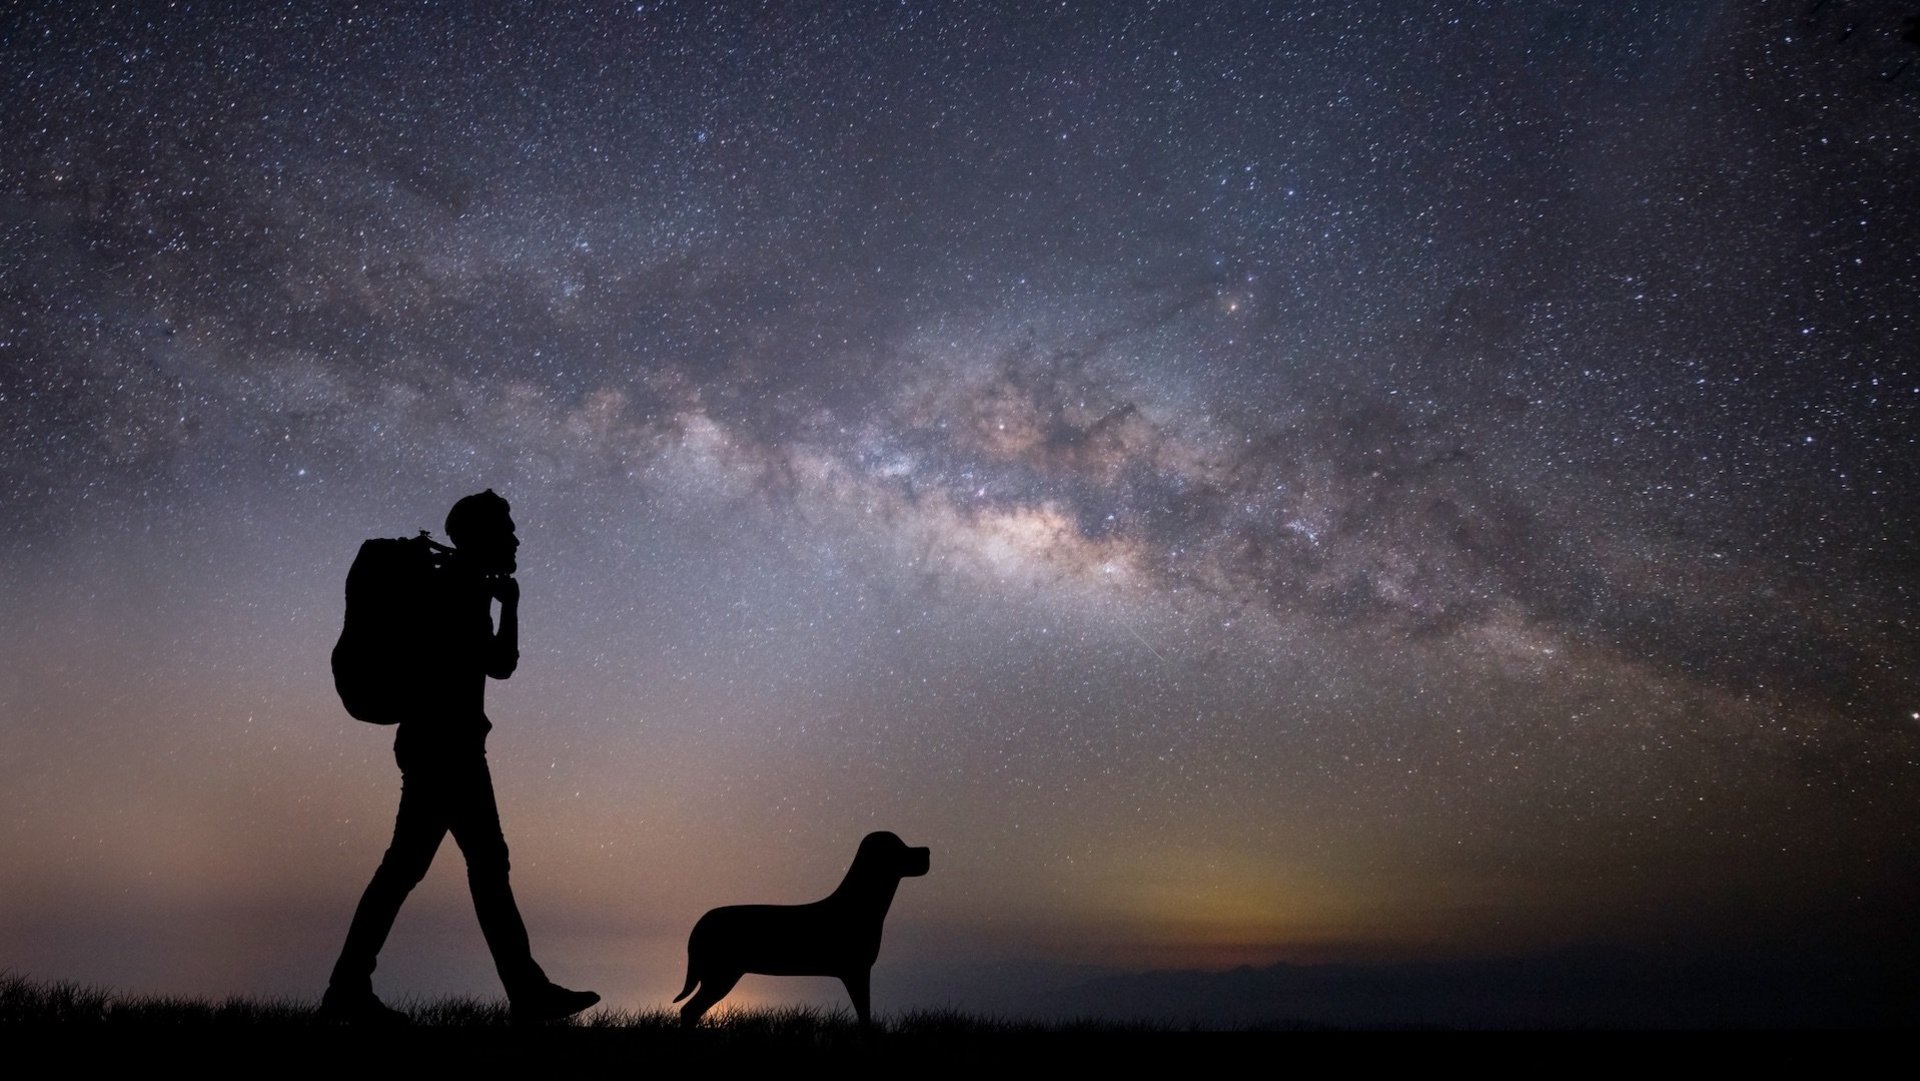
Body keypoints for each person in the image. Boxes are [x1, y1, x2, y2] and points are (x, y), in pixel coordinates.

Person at [322, 490, 598, 1024]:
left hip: (447, 747)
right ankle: (352, 990)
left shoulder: (463, 587)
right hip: (446, 750)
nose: (516, 538)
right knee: (447, 868)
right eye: (506, 528)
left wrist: (508, 605)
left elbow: (497, 666)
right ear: (479, 535)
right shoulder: (454, 589)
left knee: (436, 868)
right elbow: (499, 664)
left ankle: (352, 989)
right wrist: (507, 607)